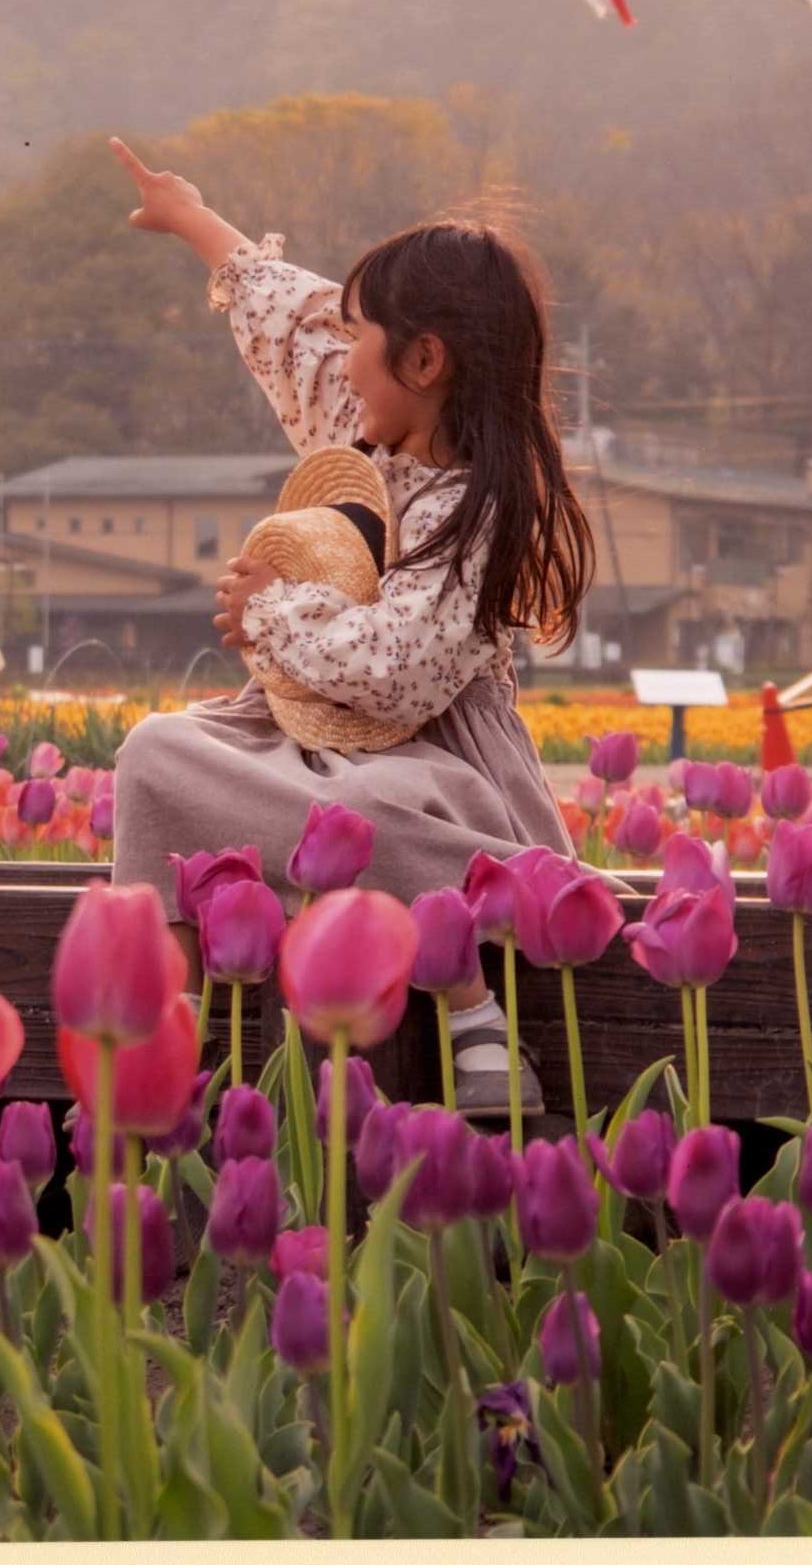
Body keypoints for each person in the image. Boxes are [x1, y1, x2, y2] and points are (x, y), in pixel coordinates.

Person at [105, 138, 591, 1116]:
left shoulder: (479, 509)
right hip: (291, 740)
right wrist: (193, 218)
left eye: (359, 333)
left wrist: (267, 610)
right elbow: (289, 320)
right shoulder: (358, 429)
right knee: (154, 754)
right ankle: (166, 1030)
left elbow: (396, 675)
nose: (340, 351)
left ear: (422, 359)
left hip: (429, 766)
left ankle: (475, 1011)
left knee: (363, 813)